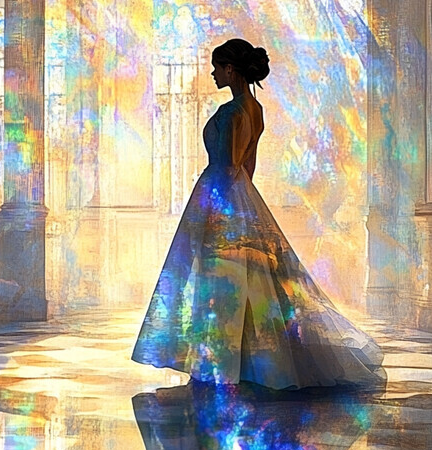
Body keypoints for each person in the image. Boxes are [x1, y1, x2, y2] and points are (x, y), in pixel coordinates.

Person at [132, 38, 384, 389]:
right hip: (241, 194)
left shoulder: (233, 111)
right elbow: (248, 166)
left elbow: (227, 165)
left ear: (231, 69)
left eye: (217, 67)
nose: (213, 73)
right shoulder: (256, 110)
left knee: (218, 281)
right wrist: (245, 205)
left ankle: (221, 364)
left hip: (219, 196)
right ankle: (246, 362)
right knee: (245, 281)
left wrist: (215, 214)